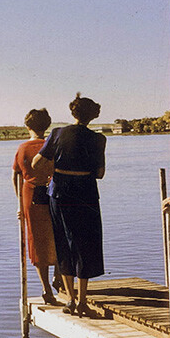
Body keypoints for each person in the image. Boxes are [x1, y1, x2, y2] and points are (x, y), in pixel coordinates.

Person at [32, 93, 106, 317]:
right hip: (86, 192)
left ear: (73, 113)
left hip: (60, 193)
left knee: (63, 242)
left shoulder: (57, 133)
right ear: (93, 116)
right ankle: (83, 300)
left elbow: (36, 163)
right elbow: (100, 173)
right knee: (85, 242)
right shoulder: (98, 139)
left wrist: (55, 168)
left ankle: (70, 301)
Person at [12, 109, 61, 306]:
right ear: (47, 126)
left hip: (30, 195)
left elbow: (16, 176)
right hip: (53, 193)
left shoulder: (22, 148)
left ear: (27, 126)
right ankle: (59, 276)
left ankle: (45, 288)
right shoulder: (53, 145)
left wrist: (19, 202)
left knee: (36, 240)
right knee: (58, 235)